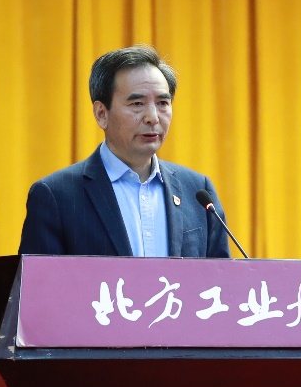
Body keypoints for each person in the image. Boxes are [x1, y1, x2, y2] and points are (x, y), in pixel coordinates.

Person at [18, 45, 230, 258]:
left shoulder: (198, 191)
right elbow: (39, 278)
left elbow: (222, 275)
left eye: (162, 103)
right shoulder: (57, 196)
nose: (153, 117)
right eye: (137, 103)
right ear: (101, 114)